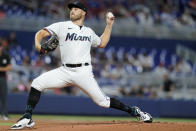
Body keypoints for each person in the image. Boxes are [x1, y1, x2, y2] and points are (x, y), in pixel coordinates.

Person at [11, 1, 152, 129]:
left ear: (83, 12)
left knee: (102, 102)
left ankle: (135, 111)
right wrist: (37, 44)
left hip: (83, 72)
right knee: (37, 83)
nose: (72, 10)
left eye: (76, 8)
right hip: (65, 70)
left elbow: (102, 43)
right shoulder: (62, 26)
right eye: (71, 8)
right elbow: (41, 33)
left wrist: (109, 25)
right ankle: (27, 117)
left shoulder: (88, 31)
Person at [0, 45, 12, 120]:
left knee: (3, 96)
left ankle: (4, 114)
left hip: (2, 78)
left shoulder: (5, 55)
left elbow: (9, 67)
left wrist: (1, 68)